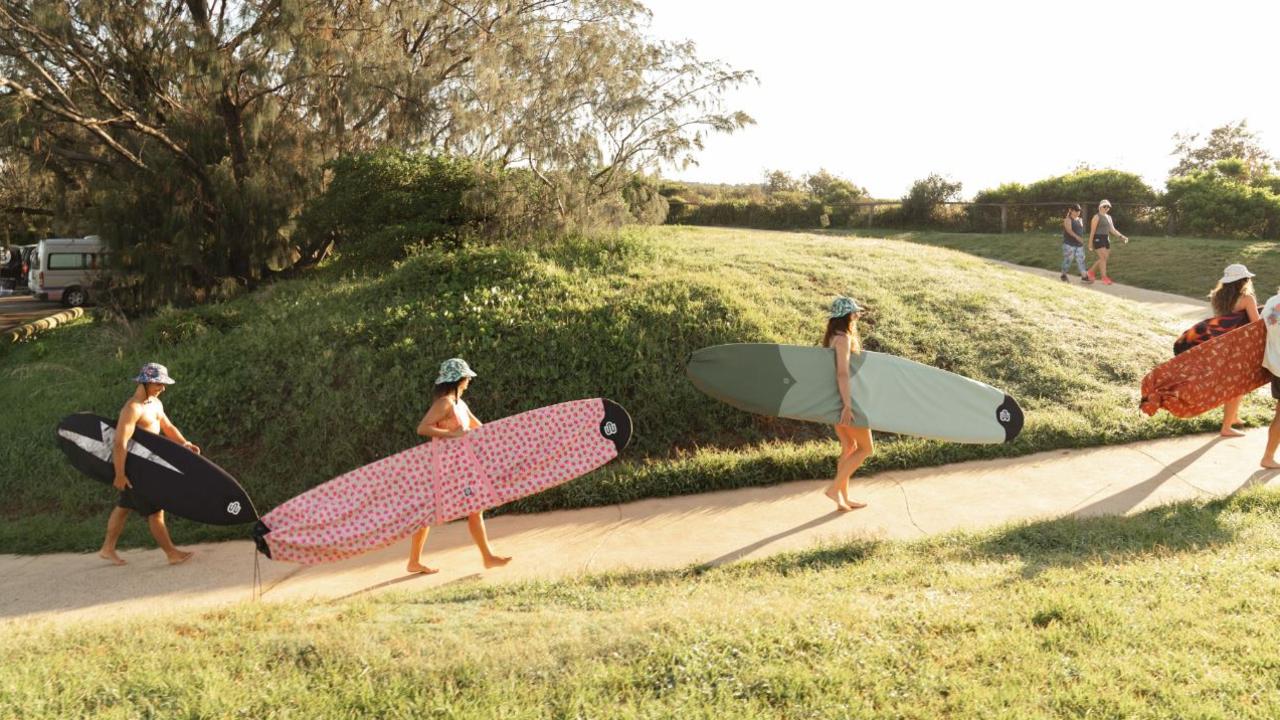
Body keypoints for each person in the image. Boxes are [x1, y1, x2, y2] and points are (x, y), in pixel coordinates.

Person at [406, 358, 512, 574]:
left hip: (461, 468)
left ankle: (487, 557)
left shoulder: (460, 404)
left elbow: (478, 427)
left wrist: (505, 436)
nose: (468, 382)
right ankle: (414, 562)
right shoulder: (444, 403)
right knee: (429, 513)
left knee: (473, 509)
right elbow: (422, 428)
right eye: (466, 378)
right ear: (457, 379)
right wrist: (452, 434)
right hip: (444, 470)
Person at [99, 363, 198, 566]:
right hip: (136, 469)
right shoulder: (132, 408)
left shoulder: (154, 404)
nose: (163, 388)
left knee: (124, 506)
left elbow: (168, 426)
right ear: (145, 382)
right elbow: (120, 443)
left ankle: (107, 548)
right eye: (159, 384)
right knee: (155, 511)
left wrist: (184, 443)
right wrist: (119, 474)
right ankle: (171, 553)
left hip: (146, 464)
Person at [821, 297, 874, 511]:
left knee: (850, 447)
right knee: (866, 449)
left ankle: (843, 498)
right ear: (846, 316)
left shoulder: (833, 336)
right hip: (847, 401)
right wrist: (848, 405)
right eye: (855, 312)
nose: (858, 315)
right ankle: (834, 489)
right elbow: (842, 373)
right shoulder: (842, 339)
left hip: (837, 400)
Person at [1203, 264, 1261, 436]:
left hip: (1221, 344)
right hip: (1240, 347)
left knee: (1234, 383)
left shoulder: (1216, 296)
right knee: (1237, 386)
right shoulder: (1247, 298)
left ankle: (1233, 417)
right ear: (1243, 280)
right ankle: (1226, 427)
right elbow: (1255, 324)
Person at [1085, 199, 1129, 285]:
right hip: (1097, 238)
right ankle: (1104, 277)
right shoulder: (1096, 217)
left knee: (1104, 258)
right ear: (1100, 207)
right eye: (1104, 206)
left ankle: (1090, 272)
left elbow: (1112, 230)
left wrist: (1121, 236)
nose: (1106, 208)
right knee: (1103, 258)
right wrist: (1090, 243)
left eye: (1108, 206)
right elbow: (1092, 231)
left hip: (1106, 238)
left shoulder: (1109, 217)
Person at [1060, 204, 1091, 283]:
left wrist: (1081, 239)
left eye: (1079, 211)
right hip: (1069, 244)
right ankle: (1063, 274)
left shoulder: (1080, 220)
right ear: (1071, 210)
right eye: (1076, 211)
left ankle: (1084, 277)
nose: (1078, 212)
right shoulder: (1067, 220)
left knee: (1081, 260)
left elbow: (1080, 231)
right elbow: (1069, 231)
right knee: (1068, 260)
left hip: (1079, 245)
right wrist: (1078, 238)